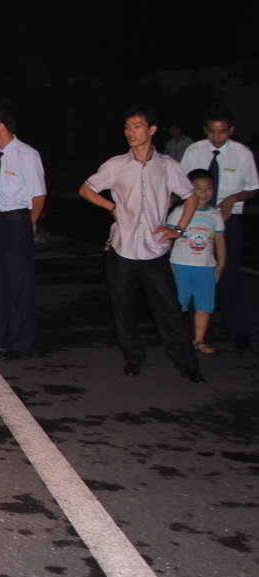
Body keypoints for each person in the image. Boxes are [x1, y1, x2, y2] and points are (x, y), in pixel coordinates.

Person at [78, 106, 203, 382]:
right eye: (127, 127)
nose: (130, 132)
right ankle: (133, 358)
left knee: (168, 310)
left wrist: (177, 229)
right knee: (123, 308)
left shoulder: (167, 165)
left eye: (136, 126)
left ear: (152, 130)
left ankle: (187, 363)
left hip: (154, 249)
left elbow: (191, 196)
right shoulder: (115, 165)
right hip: (122, 248)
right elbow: (86, 189)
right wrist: (111, 206)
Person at [0, 100, 46, 358]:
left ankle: (20, 342)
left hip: (16, 224)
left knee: (18, 284)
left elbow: (38, 196)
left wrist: (29, 224)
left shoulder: (27, 155)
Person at [180, 108, 259, 351]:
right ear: (205, 130)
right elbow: (180, 183)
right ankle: (200, 332)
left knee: (228, 275)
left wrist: (232, 198)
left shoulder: (241, 154)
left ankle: (238, 331)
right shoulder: (194, 151)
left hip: (226, 220)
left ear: (231, 130)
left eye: (222, 132)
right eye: (212, 131)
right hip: (196, 220)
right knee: (197, 274)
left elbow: (253, 187)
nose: (217, 137)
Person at [167, 169, 226, 355]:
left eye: (208, 188)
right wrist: (167, 261)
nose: (204, 192)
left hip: (206, 267)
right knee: (177, 306)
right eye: (198, 188)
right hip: (181, 266)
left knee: (204, 306)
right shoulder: (179, 212)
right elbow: (168, 238)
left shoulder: (215, 215)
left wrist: (221, 263)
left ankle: (199, 340)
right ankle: (176, 341)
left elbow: (219, 240)